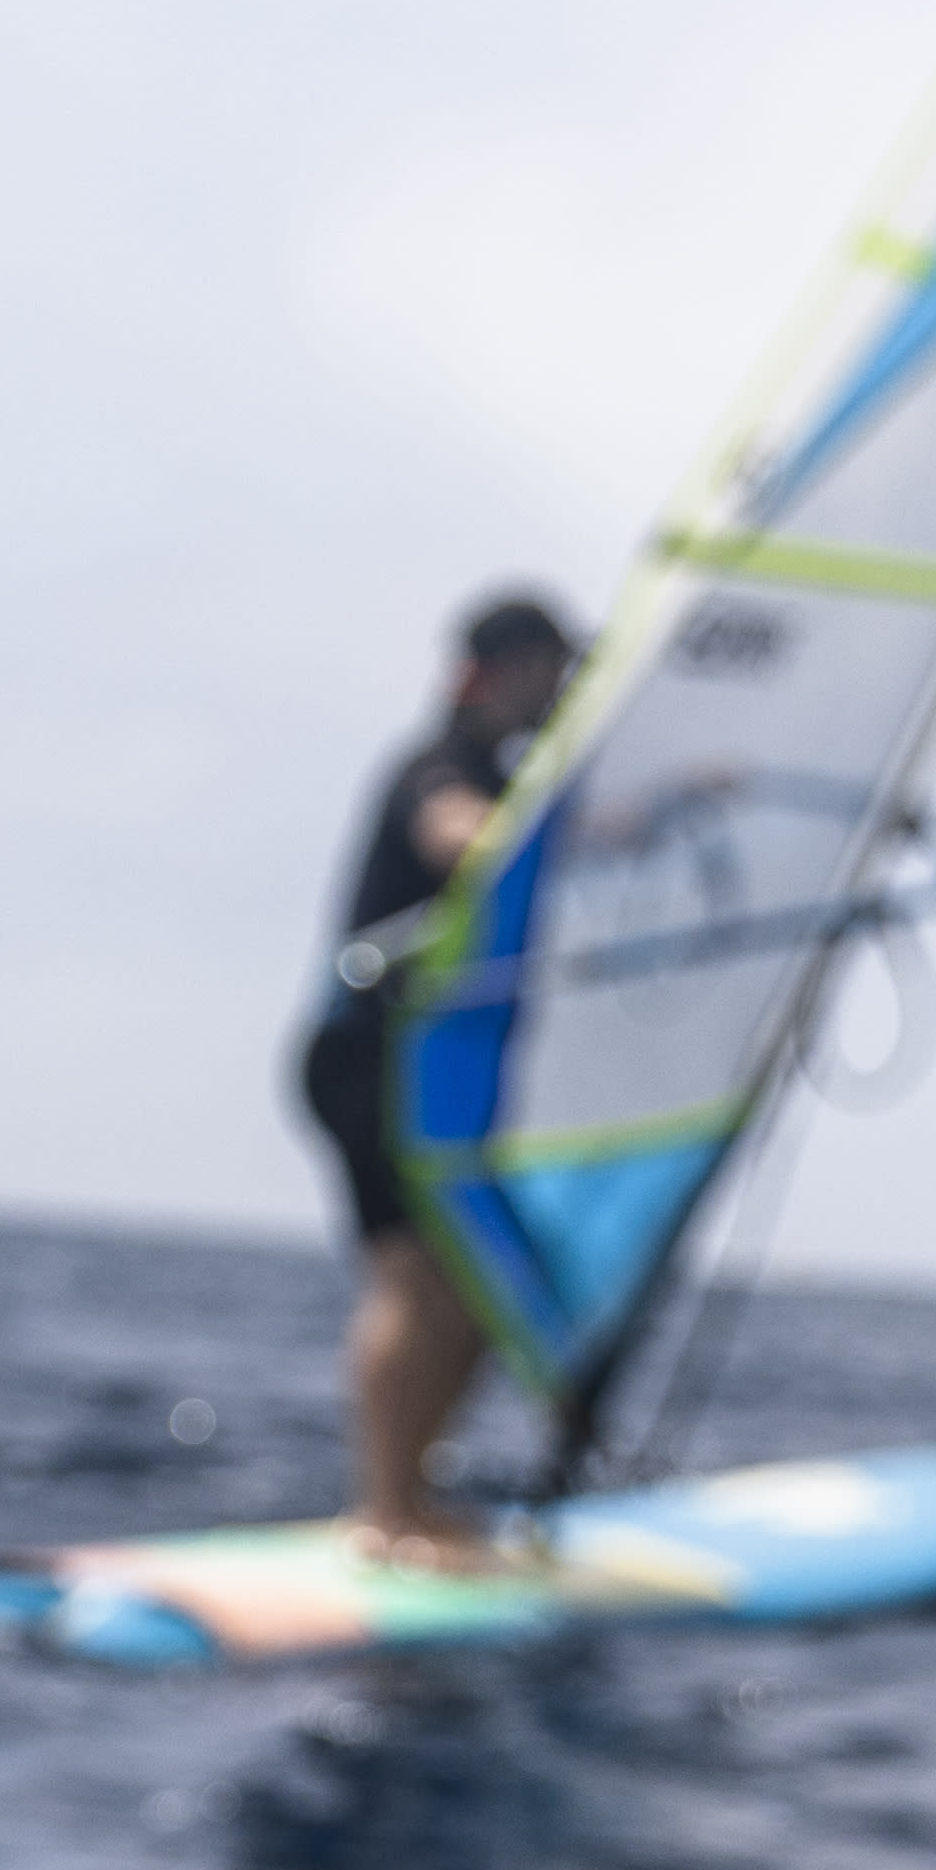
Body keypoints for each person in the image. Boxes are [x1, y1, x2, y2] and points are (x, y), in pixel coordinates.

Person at [294, 588, 576, 1563]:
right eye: (547, 670)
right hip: (365, 1056)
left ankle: (416, 1497)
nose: (560, 689)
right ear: (491, 675)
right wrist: (547, 835)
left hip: (426, 1068)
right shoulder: (438, 765)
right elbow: (452, 831)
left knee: (472, 1287)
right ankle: (382, 1511)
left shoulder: (505, 777)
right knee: (413, 1276)